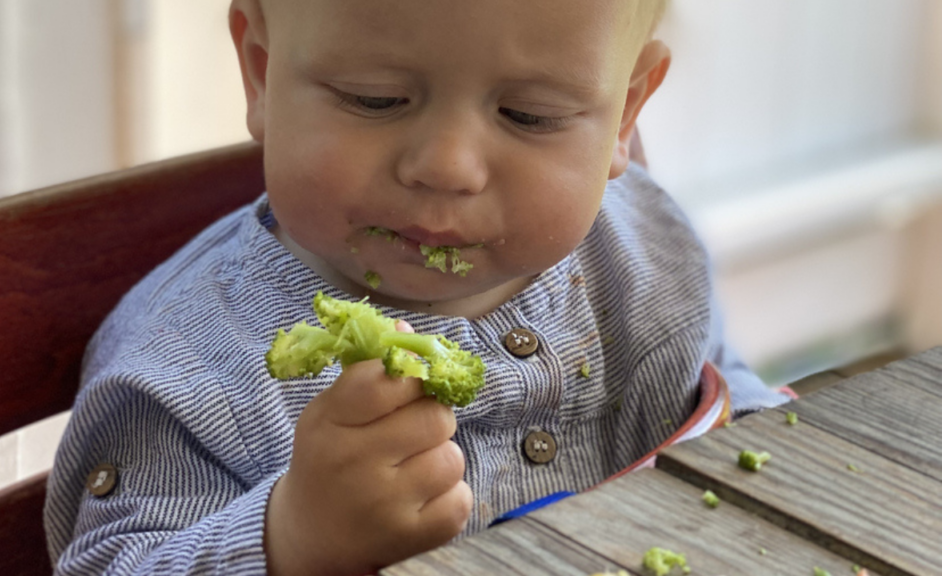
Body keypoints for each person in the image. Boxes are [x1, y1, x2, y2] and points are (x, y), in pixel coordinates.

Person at [44, 0, 789, 574]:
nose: (448, 167)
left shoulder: (646, 251)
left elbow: (723, 401)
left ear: (625, 112)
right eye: (375, 98)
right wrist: (292, 537)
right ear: (262, 73)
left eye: (532, 115)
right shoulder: (183, 370)